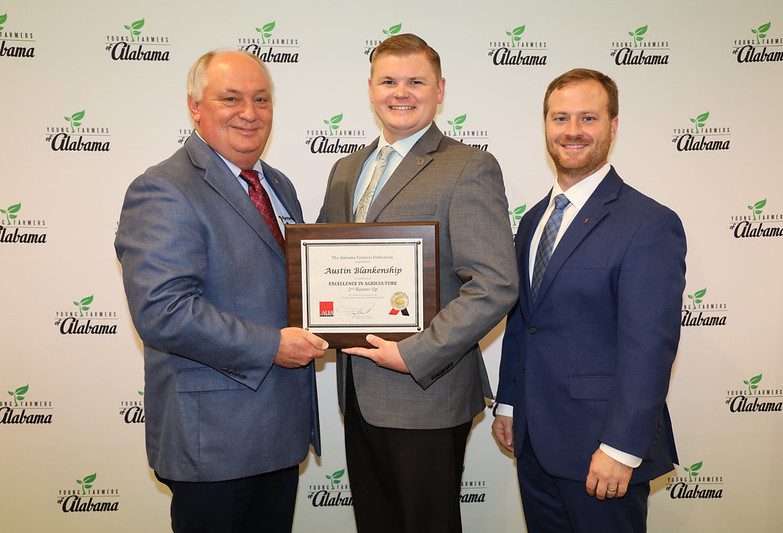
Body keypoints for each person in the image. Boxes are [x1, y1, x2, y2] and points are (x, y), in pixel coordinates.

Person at [114, 50, 328, 533]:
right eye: (230, 98)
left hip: (279, 429)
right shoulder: (163, 189)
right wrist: (273, 345)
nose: (249, 113)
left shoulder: (278, 185)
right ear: (195, 106)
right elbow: (163, 311)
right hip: (213, 438)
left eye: (261, 99)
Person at [317, 34, 518, 532]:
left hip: (425, 392)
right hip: (358, 391)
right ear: (370, 88)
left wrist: (415, 353)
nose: (400, 92)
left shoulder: (469, 166)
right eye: (388, 81)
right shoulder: (346, 170)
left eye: (415, 81)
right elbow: (321, 263)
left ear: (440, 89)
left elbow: (494, 283)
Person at [492, 68, 686, 532]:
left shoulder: (649, 223)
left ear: (613, 126)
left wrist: (621, 449)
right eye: (560, 118)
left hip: (602, 452)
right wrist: (510, 405)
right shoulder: (534, 220)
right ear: (545, 126)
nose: (572, 131)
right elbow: (525, 322)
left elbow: (648, 349)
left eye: (588, 118)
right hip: (535, 443)